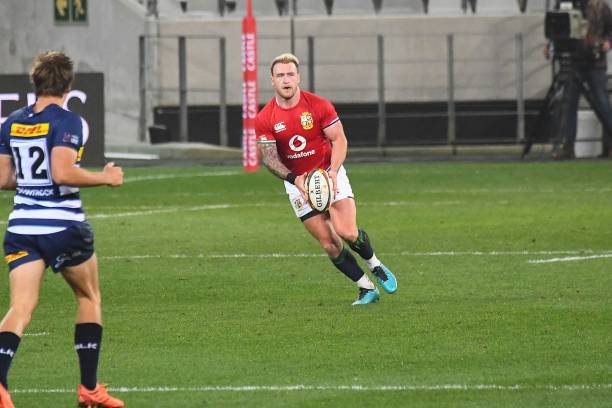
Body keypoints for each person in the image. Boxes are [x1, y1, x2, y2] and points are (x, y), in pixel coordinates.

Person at [0, 51, 124, 408]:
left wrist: (30, 183)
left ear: (35, 83)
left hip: (22, 226)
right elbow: (62, 172)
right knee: (88, 297)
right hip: (63, 226)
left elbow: (4, 179)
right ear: (69, 84)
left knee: (20, 307)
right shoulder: (71, 122)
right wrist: (106, 177)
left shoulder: (12, 122)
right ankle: (89, 389)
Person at [255, 53, 398, 306]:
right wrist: (294, 179)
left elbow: (339, 140)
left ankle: (375, 265)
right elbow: (269, 158)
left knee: (346, 232)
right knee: (330, 244)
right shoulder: (266, 118)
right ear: (272, 80)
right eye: (280, 75)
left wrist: (332, 172)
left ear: (298, 77)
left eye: (290, 74)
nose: (286, 80)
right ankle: (366, 288)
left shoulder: (318, 105)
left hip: (328, 174)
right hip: (297, 184)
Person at [550, 0, 612, 158]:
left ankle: (609, 145)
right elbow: (556, 26)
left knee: (602, 104)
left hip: (595, 61)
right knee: (570, 103)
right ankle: (567, 146)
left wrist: (607, 43)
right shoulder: (564, 4)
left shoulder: (601, 6)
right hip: (574, 60)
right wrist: (552, 44)